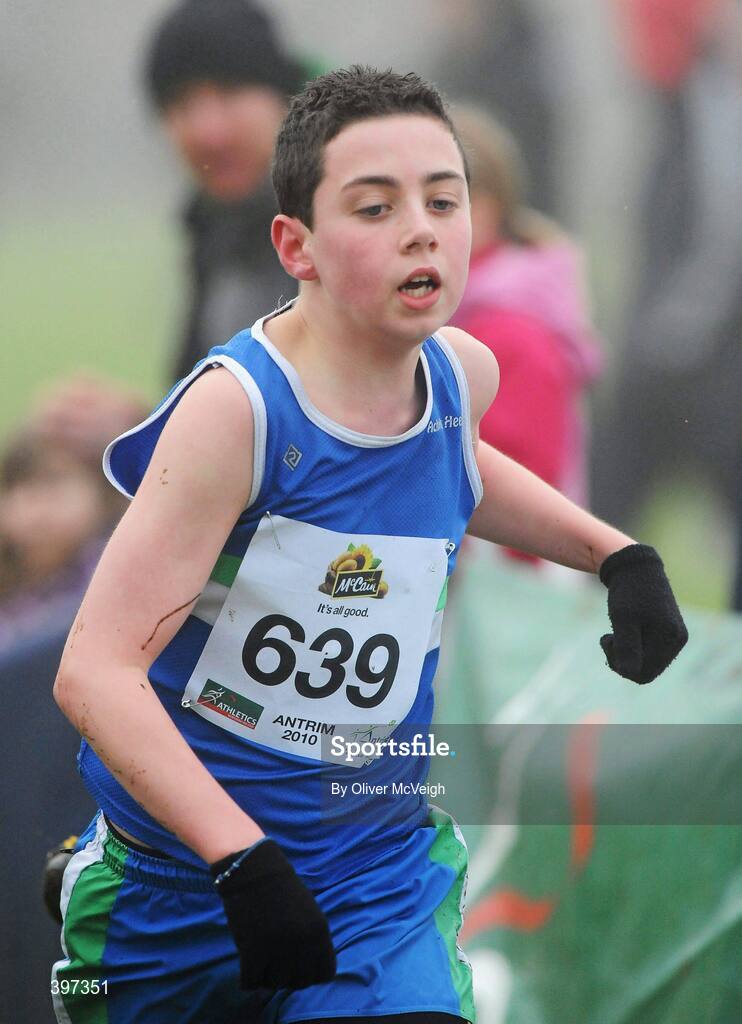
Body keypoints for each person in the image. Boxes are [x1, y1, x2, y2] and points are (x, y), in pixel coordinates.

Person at [52, 66, 688, 1024]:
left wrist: (613, 555)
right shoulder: (240, 413)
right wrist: (243, 858)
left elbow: (458, 467)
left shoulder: (459, 374)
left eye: (444, 199)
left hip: (374, 884)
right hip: (176, 895)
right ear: (296, 246)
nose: (422, 228)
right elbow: (94, 672)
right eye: (375, 206)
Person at [449, 105, 602, 517]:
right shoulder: (454, 313)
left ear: (486, 208)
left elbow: (528, 489)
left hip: (502, 572)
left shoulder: (512, 331)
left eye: (439, 202)